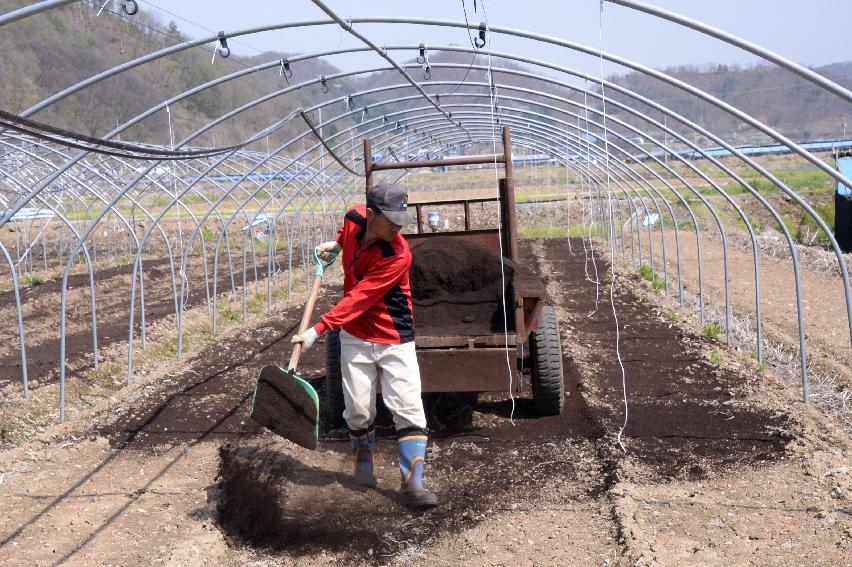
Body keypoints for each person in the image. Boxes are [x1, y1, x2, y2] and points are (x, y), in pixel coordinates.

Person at [290, 183, 438, 508]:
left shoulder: (397, 254)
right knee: (357, 409)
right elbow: (347, 230)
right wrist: (338, 243)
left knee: (408, 407)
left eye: (402, 218)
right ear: (371, 215)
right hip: (355, 337)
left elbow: (360, 298)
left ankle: (413, 483)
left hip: (394, 338)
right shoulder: (355, 216)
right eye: (392, 219)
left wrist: (319, 328)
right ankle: (363, 459)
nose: (399, 226)